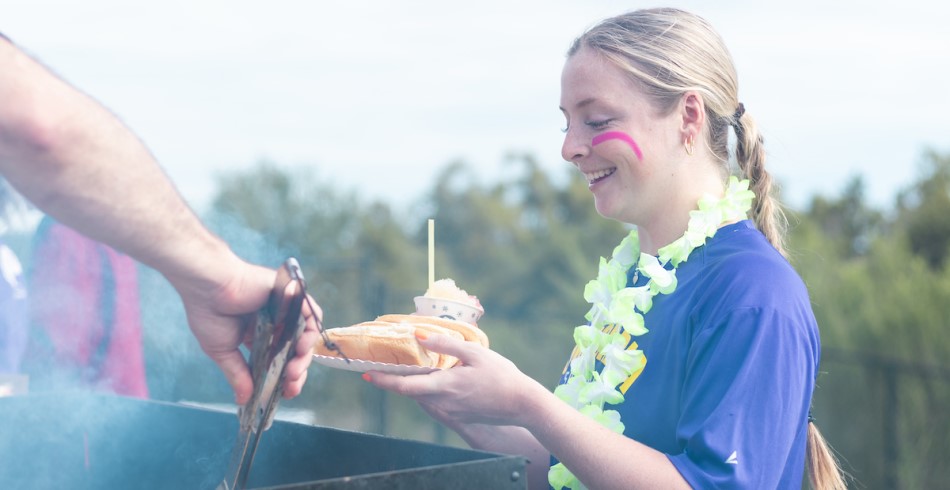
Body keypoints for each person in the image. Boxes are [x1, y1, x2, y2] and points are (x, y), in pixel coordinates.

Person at [365, 8, 847, 490]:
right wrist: (461, 399)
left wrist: (529, 402)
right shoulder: (633, 281)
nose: (570, 148)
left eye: (596, 120)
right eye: (567, 124)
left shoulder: (752, 292)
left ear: (689, 116)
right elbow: (568, 472)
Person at [0, 33, 320, 405]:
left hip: (92, 413)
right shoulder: (84, 241)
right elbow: (38, 128)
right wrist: (221, 276)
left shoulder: (65, 241)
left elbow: (39, 129)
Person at [25, 216, 150, 398]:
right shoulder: (118, 235)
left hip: (83, 402)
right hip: (122, 399)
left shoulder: (65, 235)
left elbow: (57, 343)